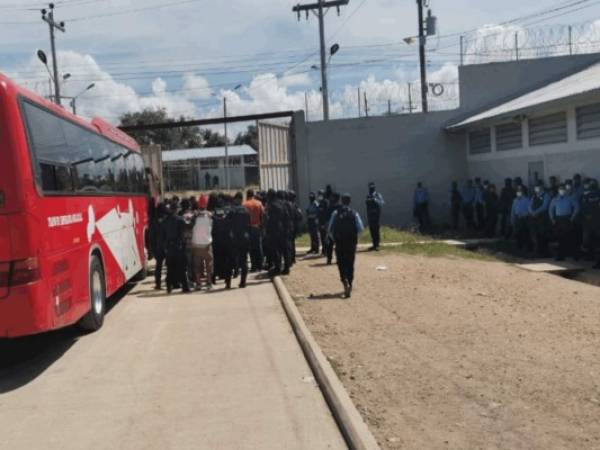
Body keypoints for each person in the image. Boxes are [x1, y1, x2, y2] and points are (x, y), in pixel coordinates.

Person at [328, 193, 365, 298]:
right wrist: (356, 240)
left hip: (340, 243)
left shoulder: (336, 213)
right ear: (350, 202)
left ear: (341, 201)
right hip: (351, 243)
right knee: (350, 263)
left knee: (341, 263)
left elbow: (329, 229)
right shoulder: (354, 213)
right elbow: (361, 229)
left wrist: (334, 239)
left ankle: (344, 280)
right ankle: (350, 282)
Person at [549, 184, 580, 261]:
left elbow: (577, 207)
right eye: (560, 189)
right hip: (558, 219)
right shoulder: (555, 199)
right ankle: (560, 256)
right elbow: (550, 209)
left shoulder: (570, 198)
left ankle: (574, 255)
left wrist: (572, 217)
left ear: (565, 190)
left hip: (567, 219)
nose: (561, 191)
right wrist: (552, 219)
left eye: (563, 189)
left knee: (570, 237)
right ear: (558, 190)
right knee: (560, 239)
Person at [164, 204, 190, 293]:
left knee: (170, 268)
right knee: (181, 268)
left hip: (169, 247)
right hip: (179, 246)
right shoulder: (180, 219)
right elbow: (186, 229)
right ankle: (185, 287)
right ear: (176, 210)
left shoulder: (166, 220)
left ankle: (168, 286)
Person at [229, 192, 252, 288]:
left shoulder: (232, 211)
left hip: (234, 238)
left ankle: (232, 277)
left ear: (236, 199)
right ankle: (243, 282)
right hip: (244, 237)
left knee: (232, 259)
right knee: (244, 260)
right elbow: (248, 225)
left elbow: (228, 224)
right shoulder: (246, 211)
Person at [191, 194, 213, 290]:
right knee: (209, 264)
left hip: (196, 244)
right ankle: (209, 283)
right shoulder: (209, 215)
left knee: (197, 266)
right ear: (206, 204)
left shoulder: (194, 216)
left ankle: (198, 284)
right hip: (207, 244)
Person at [265, 189, 288, 277]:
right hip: (283, 229)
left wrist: (267, 230)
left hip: (274, 230)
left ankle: (277, 268)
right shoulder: (282, 203)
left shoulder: (271, 205)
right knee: (284, 249)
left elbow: (269, 219)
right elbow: (287, 216)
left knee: (275, 250)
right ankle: (286, 268)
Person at [212, 196, 233, 287]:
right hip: (226, 240)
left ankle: (214, 277)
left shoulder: (213, 215)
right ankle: (226, 279)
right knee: (226, 260)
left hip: (216, 240)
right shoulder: (227, 212)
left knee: (216, 259)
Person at [243, 189, 265, 272]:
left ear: (247, 195)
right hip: (257, 227)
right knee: (259, 247)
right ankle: (260, 265)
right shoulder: (259, 203)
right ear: (253, 195)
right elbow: (263, 214)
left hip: (248, 228)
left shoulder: (244, 204)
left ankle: (253, 266)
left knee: (251, 248)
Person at [528, 182, 551, 258]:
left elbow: (545, 206)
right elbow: (529, 205)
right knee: (534, 236)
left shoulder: (546, 195)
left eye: (537, 186)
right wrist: (532, 212)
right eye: (535, 187)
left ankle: (544, 253)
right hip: (534, 218)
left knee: (543, 236)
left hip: (543, 219)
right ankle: (536, 252)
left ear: (541, 187)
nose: (536, 188)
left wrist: (536, 212)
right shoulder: (534, 196)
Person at [580, 179, 600, 263]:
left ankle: (597, 260)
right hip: (587, 222)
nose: (592, 185)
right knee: (586, 240)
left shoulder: (599, 193)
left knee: (597, 241)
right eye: (591, 184)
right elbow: (582, 207)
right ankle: (587, 257)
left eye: (593, 184)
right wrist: (585, 215)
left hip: (597, 221)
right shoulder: (585, 195)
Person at [149, 203, 168, 290]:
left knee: (158, 266)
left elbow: (151, 236)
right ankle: (169, 282)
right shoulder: (166, 220)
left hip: (157, 247)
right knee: (169, 265)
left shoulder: (153, 222)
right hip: (167, 246)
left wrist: (152, 248)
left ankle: (158, 284)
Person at [511, 186, 532, 253]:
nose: (518, 192)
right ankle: (519, 248)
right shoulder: (515, 200)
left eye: (520, 191)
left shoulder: (527, 199)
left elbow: (529, 210)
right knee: (518, 234)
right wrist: (512, 220)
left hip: (524, 219)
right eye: (517, 191)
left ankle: (528, 248)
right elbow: (513, 211)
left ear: (522, 192)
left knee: (526, 234)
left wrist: (523, 215)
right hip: (517, 218)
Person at [366, 182, 384, 251]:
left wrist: (375, 200)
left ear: (374, 188)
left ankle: (377, 244)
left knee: (376, 229)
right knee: (372, 230)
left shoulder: (378, 195)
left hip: (376, 215)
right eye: (370, 187)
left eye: (372, 187)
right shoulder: (368, 196)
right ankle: (374, 244)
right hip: (370, 215)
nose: (371, 189)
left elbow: (382, 203)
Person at [325, 192, 341, 264]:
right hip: (331, 229)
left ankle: (338, 259)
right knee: (329, 245)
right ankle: (329, 259)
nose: (331, 199)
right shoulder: (330, 207)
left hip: (338, 229)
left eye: (332, 197)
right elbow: (327, 218)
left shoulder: (340, 207)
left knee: (338, 245)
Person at [317, 190, 329, 256]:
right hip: (320, 222)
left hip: (324, 222)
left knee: (325, 237)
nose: (319, 196)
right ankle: (324, 250)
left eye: (320, 194)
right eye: (319, 194)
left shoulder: (325, 202)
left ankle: (326, 250)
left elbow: (325, 213)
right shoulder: (320, 202)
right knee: (322, 236)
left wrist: (324, 223)